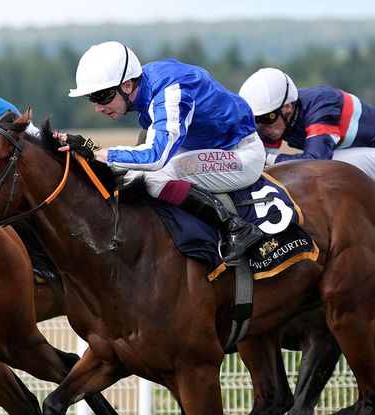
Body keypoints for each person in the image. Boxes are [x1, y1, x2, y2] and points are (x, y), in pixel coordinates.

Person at [59, 41, 264, 263]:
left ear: (127, 86)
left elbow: (155, 157)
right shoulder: (144, 85)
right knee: (130, 175)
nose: (98, 108)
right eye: (92, 98)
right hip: (206, 148)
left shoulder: (169, 92)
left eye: (102, 96)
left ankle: (235, 227)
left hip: (241, 155)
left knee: (154, 179)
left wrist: (95, 150)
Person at [238, 67, 375, 178]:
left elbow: (316, 160)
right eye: (255, 120)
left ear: (287, 107)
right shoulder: (276, 119)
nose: (261, 126)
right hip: (355, 151)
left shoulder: (322, 106)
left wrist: (269, 160)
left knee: (330, 166)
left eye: (267, 117)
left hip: (369, 151)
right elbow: (259, 160)